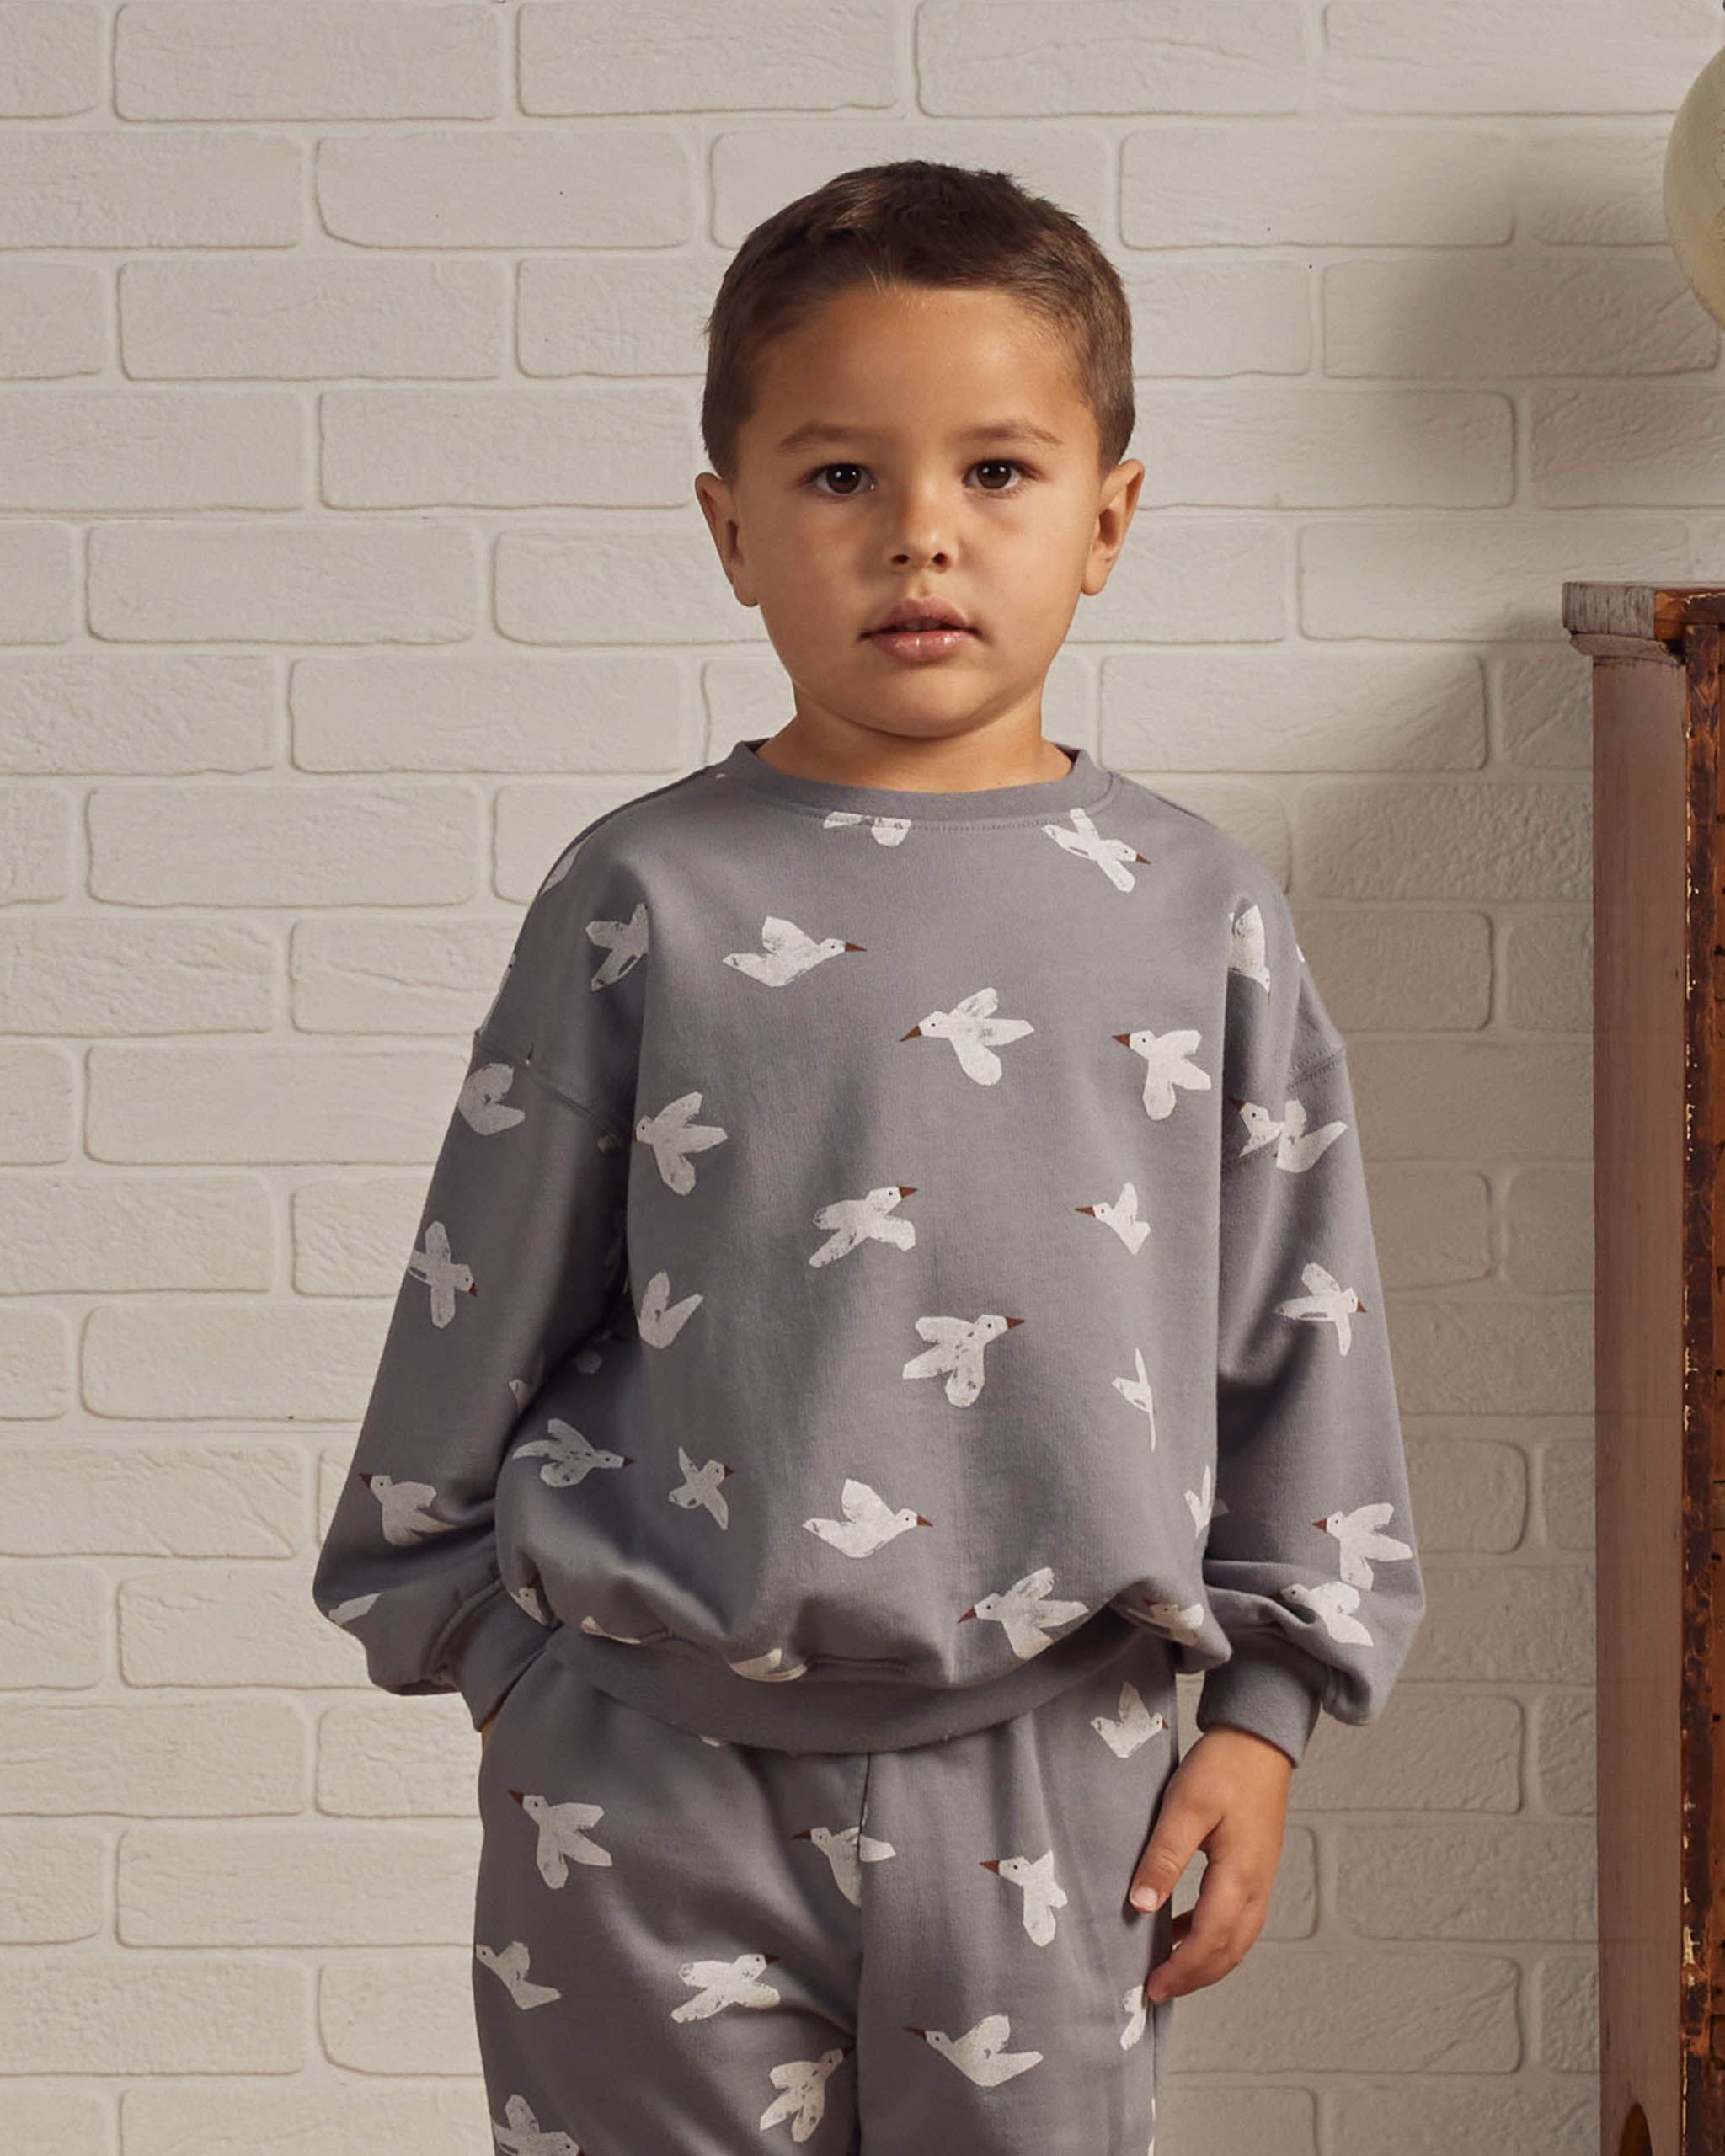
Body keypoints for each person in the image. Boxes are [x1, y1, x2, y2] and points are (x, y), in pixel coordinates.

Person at [312, 157, 1425, 2155]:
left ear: (1108, 517)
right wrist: (494, 1657)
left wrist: (1261, 1719)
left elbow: (1300, 1331)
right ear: (731, 530)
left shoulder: (1197, 913)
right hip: (642, 1773)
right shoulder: (640, 895)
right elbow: (482, 1289)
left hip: (1060, 1779)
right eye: (841, 476)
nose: (921, 530)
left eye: (996, 470)